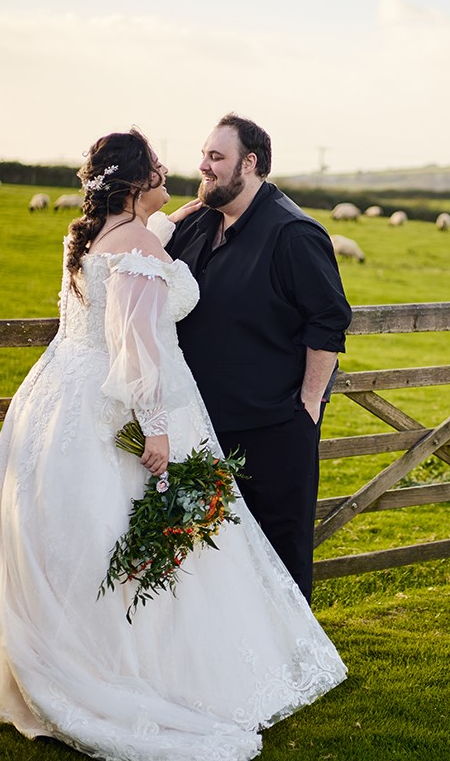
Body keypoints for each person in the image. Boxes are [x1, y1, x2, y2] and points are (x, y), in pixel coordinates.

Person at [0, 129, 346, 761]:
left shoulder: (88, 236)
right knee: (155, 541)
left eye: (212, 157)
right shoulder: (140, 244)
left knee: (100, 539)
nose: (177, 169)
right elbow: (137, 345)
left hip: (66, 396)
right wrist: (155, 426)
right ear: (136, 181)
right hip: (133, 402)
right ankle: (154, 674)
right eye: (158, 165)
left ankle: (91, 659)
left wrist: (310, 402)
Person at [159, 114, 351, 603]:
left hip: (273, 428)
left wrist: (308, 405)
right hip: (200, 429)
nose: (203, 166)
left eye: (216, 157)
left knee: (277, 556)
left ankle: (293, 650)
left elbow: (328, 321)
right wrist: (169, 219)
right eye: (203, 155)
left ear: (250, 163)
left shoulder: (294, 233)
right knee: (208, 558)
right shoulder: (197, 223)